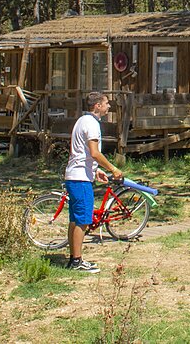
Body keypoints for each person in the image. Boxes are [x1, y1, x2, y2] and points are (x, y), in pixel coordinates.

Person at [63, 91, 123, 273]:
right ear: (97, 106)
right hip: (80, 178)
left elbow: (81, 152)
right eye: (106, 103)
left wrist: (95, 170)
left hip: (75, 175)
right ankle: (77, 261)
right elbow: (94, 152)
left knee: (75, 219)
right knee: (82, 220)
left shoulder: (82, 121)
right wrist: (113, 168)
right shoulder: (92, 124)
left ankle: (73, 258)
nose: (109, 106)